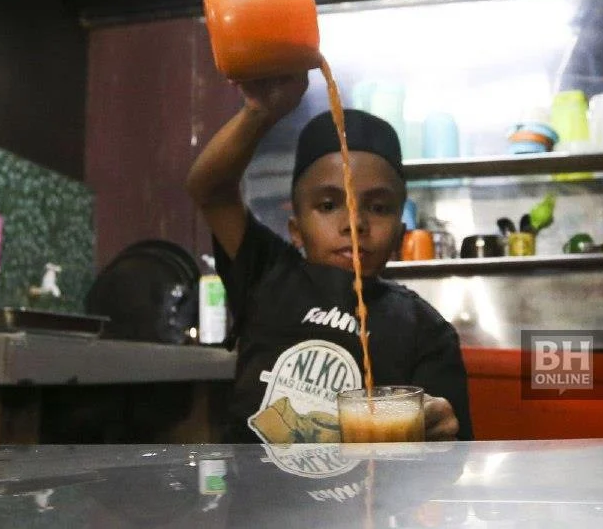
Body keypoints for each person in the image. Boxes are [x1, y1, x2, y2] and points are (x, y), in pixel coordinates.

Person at [186, 72, 473, 444]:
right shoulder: (267, 273)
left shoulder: (426, 330)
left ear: (401, 235)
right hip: (253, 502)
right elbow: (209, 189)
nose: (354, 222)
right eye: (327, 204)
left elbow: (454, 450)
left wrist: (440, 429)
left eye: (379, 207)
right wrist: (258, 112)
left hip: (373, 504)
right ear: (295, 228)